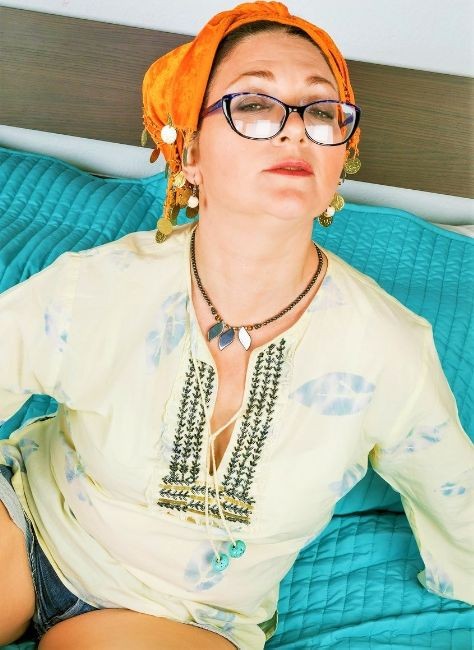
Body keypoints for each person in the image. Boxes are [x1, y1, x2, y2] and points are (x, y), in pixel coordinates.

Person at [0, 2, 472, 649]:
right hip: (31, 520)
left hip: (184, 616)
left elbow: (455, 495)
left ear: (341, 156)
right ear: (190, 152)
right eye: (253, 104)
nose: (294, 130)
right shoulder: (99, 287)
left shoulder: (387, 349)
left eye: (320, 111)